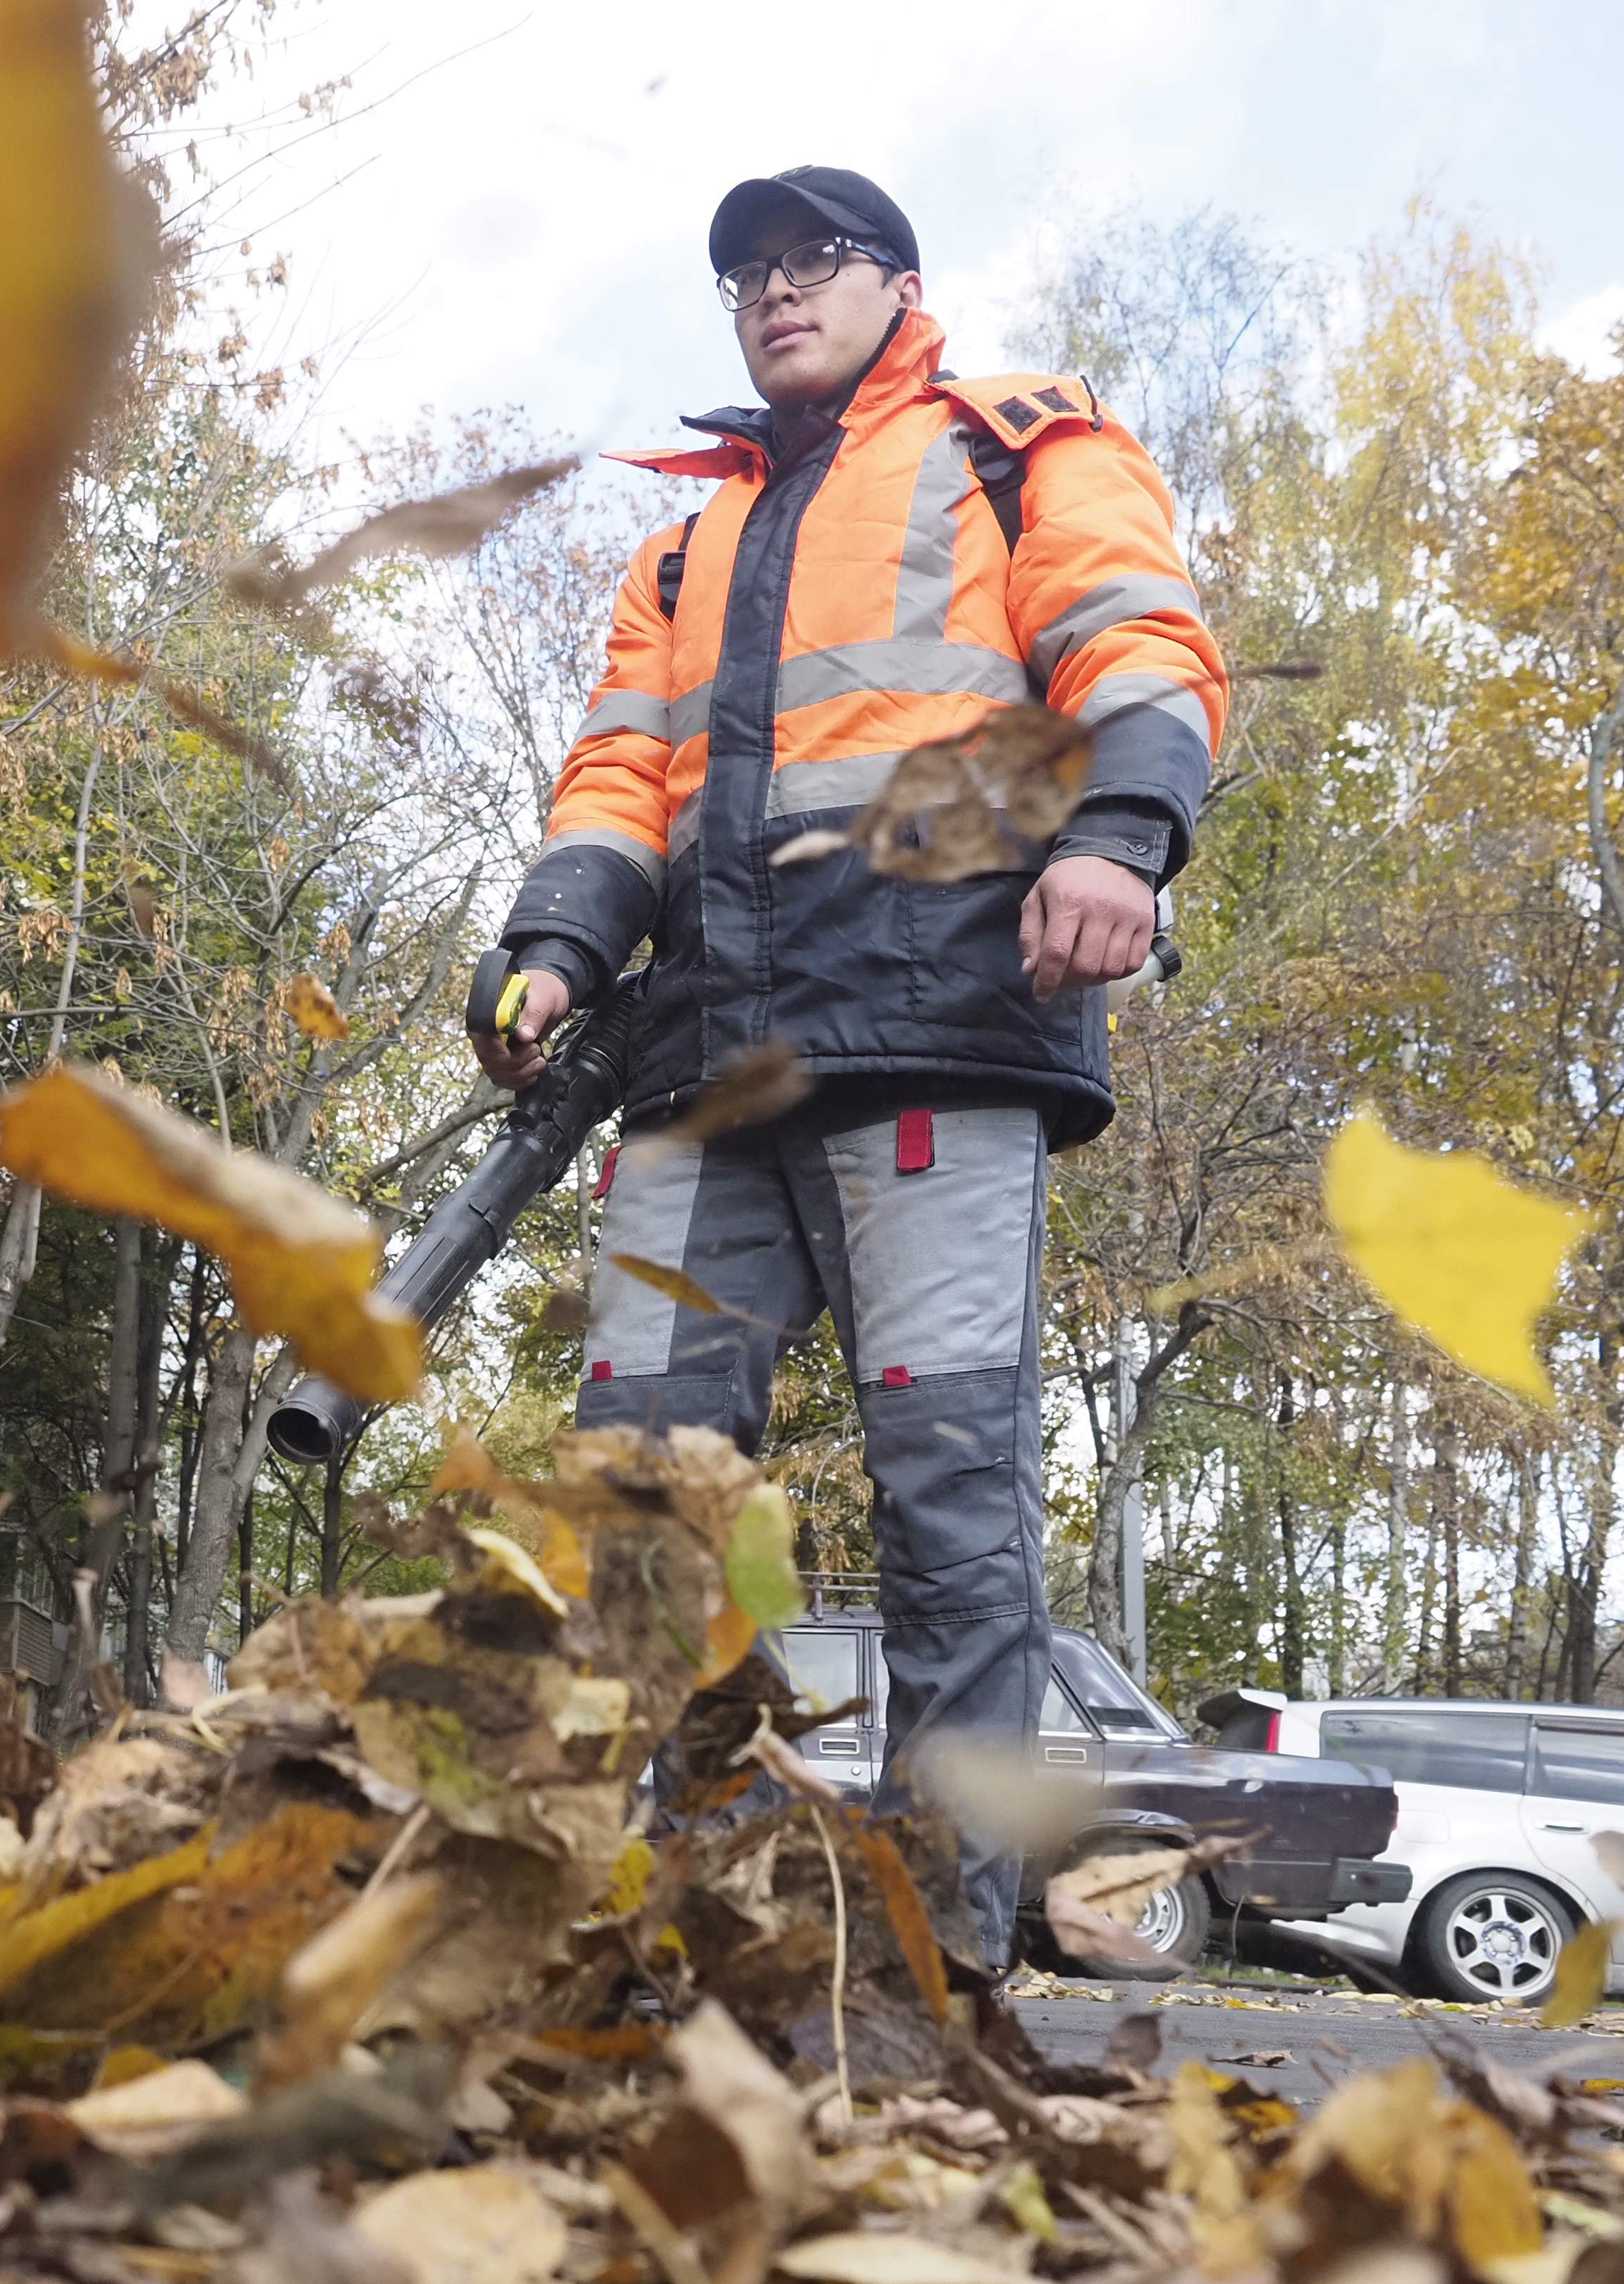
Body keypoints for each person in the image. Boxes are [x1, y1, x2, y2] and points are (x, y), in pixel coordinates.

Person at [471, 165, 1228, 1959]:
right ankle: (627, 1923)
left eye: (813, 261)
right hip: (699, 1068)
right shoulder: (683, 544)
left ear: (899, 284)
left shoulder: (1018, 448)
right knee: (636, 1502)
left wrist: (1117, 836)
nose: (773, 290)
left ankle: (937, 1958)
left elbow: (1138, 642)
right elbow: (616, 772)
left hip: (938, 1035)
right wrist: (557, 941)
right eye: (746, 270)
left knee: (949, 1505)